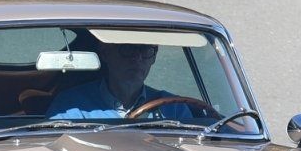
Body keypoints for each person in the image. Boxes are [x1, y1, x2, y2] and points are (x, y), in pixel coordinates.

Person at [47, 36, 198, 121]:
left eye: (146, 50)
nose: (137, 58)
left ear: (154, 57)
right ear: (105, 54)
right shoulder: (72, 106)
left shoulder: (174, 107)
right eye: (127, 48)